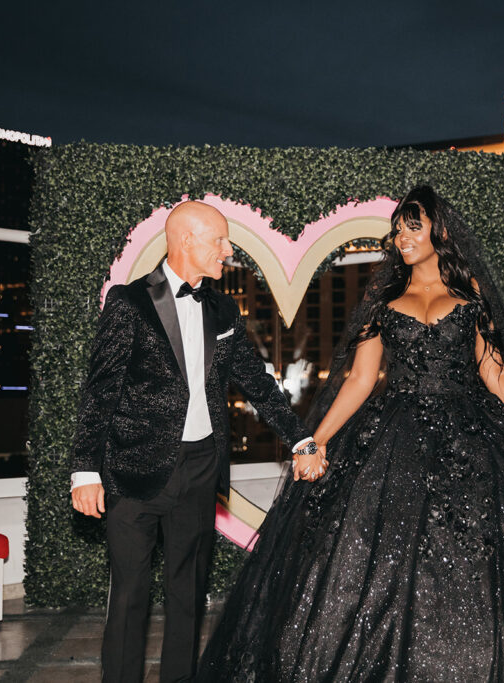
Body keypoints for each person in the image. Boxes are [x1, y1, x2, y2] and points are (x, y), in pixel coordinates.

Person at [197, 186, 504, 681]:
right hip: (396, 437)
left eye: (413, 226)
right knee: (381, 562)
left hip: (472, 432)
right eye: (398, 228)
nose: (403, 236)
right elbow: (361, 380)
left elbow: (493, 371)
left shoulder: (471, 294)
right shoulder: (385, 300)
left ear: (440, 231)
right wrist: (317, 440)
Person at [70, 200, 319, 683]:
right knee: (129, 596)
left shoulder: (223, 308)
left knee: (188, 593)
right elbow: (100, 391)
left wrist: (300, 438)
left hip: (202, 466)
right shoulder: (128, 302)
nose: (228, 251)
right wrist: (85, 470)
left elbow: (257, 383)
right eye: (220, 241)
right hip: (132, 471)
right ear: (186, 240)